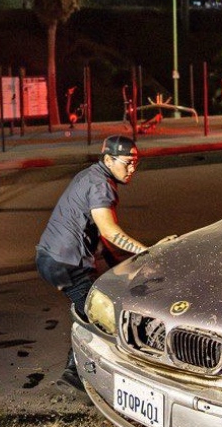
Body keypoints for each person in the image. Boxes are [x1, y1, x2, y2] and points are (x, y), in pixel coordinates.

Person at [36, 135, 153, 390]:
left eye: (136, 163)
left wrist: (117, 263)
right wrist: (148, 254)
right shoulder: (102, 186)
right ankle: (78, 372)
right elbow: (110, 231)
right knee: (100, 316)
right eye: (128, 162)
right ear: (109, 159)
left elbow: (98, 232)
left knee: (90, 311)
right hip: (66, 264)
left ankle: (75, 371)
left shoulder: (90, 175)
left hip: (50, 258)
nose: (132, 168)